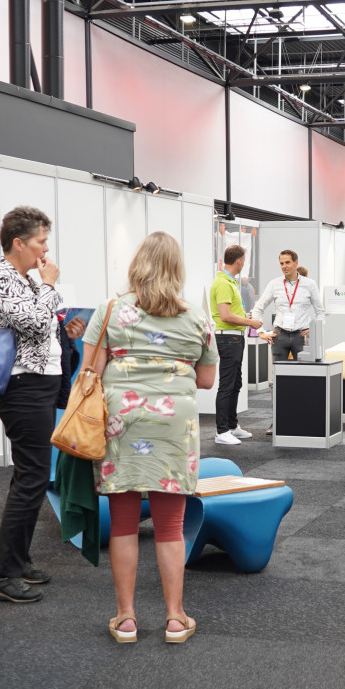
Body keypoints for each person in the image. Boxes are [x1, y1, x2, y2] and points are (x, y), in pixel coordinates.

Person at [83, 231, 219, 645]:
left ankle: (126, 618)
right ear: (177, 270)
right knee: (171, 524)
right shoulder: (196, 318)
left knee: (124, 522)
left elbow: (90, 371)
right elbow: (207, 380)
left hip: (122, 421)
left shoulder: (110, 310)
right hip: (173, 424)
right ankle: (175, 618)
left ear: (137, 265)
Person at [0, 206, 63, 604]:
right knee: (32, 476)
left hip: (36, 385)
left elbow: (40, 327)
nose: (45, 250)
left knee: (31, 475)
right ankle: (2, 573)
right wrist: (49, 285)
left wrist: (65, 322)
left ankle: (18, 558)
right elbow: (36, 323)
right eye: (41, 242)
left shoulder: (23, 279)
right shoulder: (2, 278)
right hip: (22, 387)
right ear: (18, 243)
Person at [209, 244, 261, 446]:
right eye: (244, 261)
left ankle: (231, 426)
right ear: (239, 261)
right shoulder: (223, 283)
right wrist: (250, 322)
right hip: (228, 338)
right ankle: (222, 431)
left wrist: (245, 319)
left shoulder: (229, 281)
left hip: (235, 337)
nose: (243, 264)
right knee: (227, 384)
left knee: (235, 383)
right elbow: (225, 315)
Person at [254, 249, 322, 362]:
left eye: (287, 262)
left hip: (301, 336)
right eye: (281, 263)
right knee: (278, 371)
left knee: (304, 370)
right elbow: (257, 309)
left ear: (296, 263)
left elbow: (320, 311)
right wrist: (260, 332)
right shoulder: (274, 284)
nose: (284, 266)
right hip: (279, 335)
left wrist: (314, 330)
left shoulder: (310, 284)